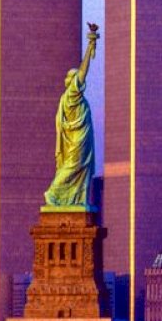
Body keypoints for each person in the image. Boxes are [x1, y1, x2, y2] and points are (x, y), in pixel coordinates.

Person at [44, 23, 99, 207]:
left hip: (77, 140)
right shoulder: (71, 96)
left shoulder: (74, 99)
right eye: (74, 78)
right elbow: (83, 73)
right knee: (72, 167)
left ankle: (75, 199)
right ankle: (53, 193)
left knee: (79, 169)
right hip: (76, 142)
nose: (79, 81)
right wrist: (90, 47)